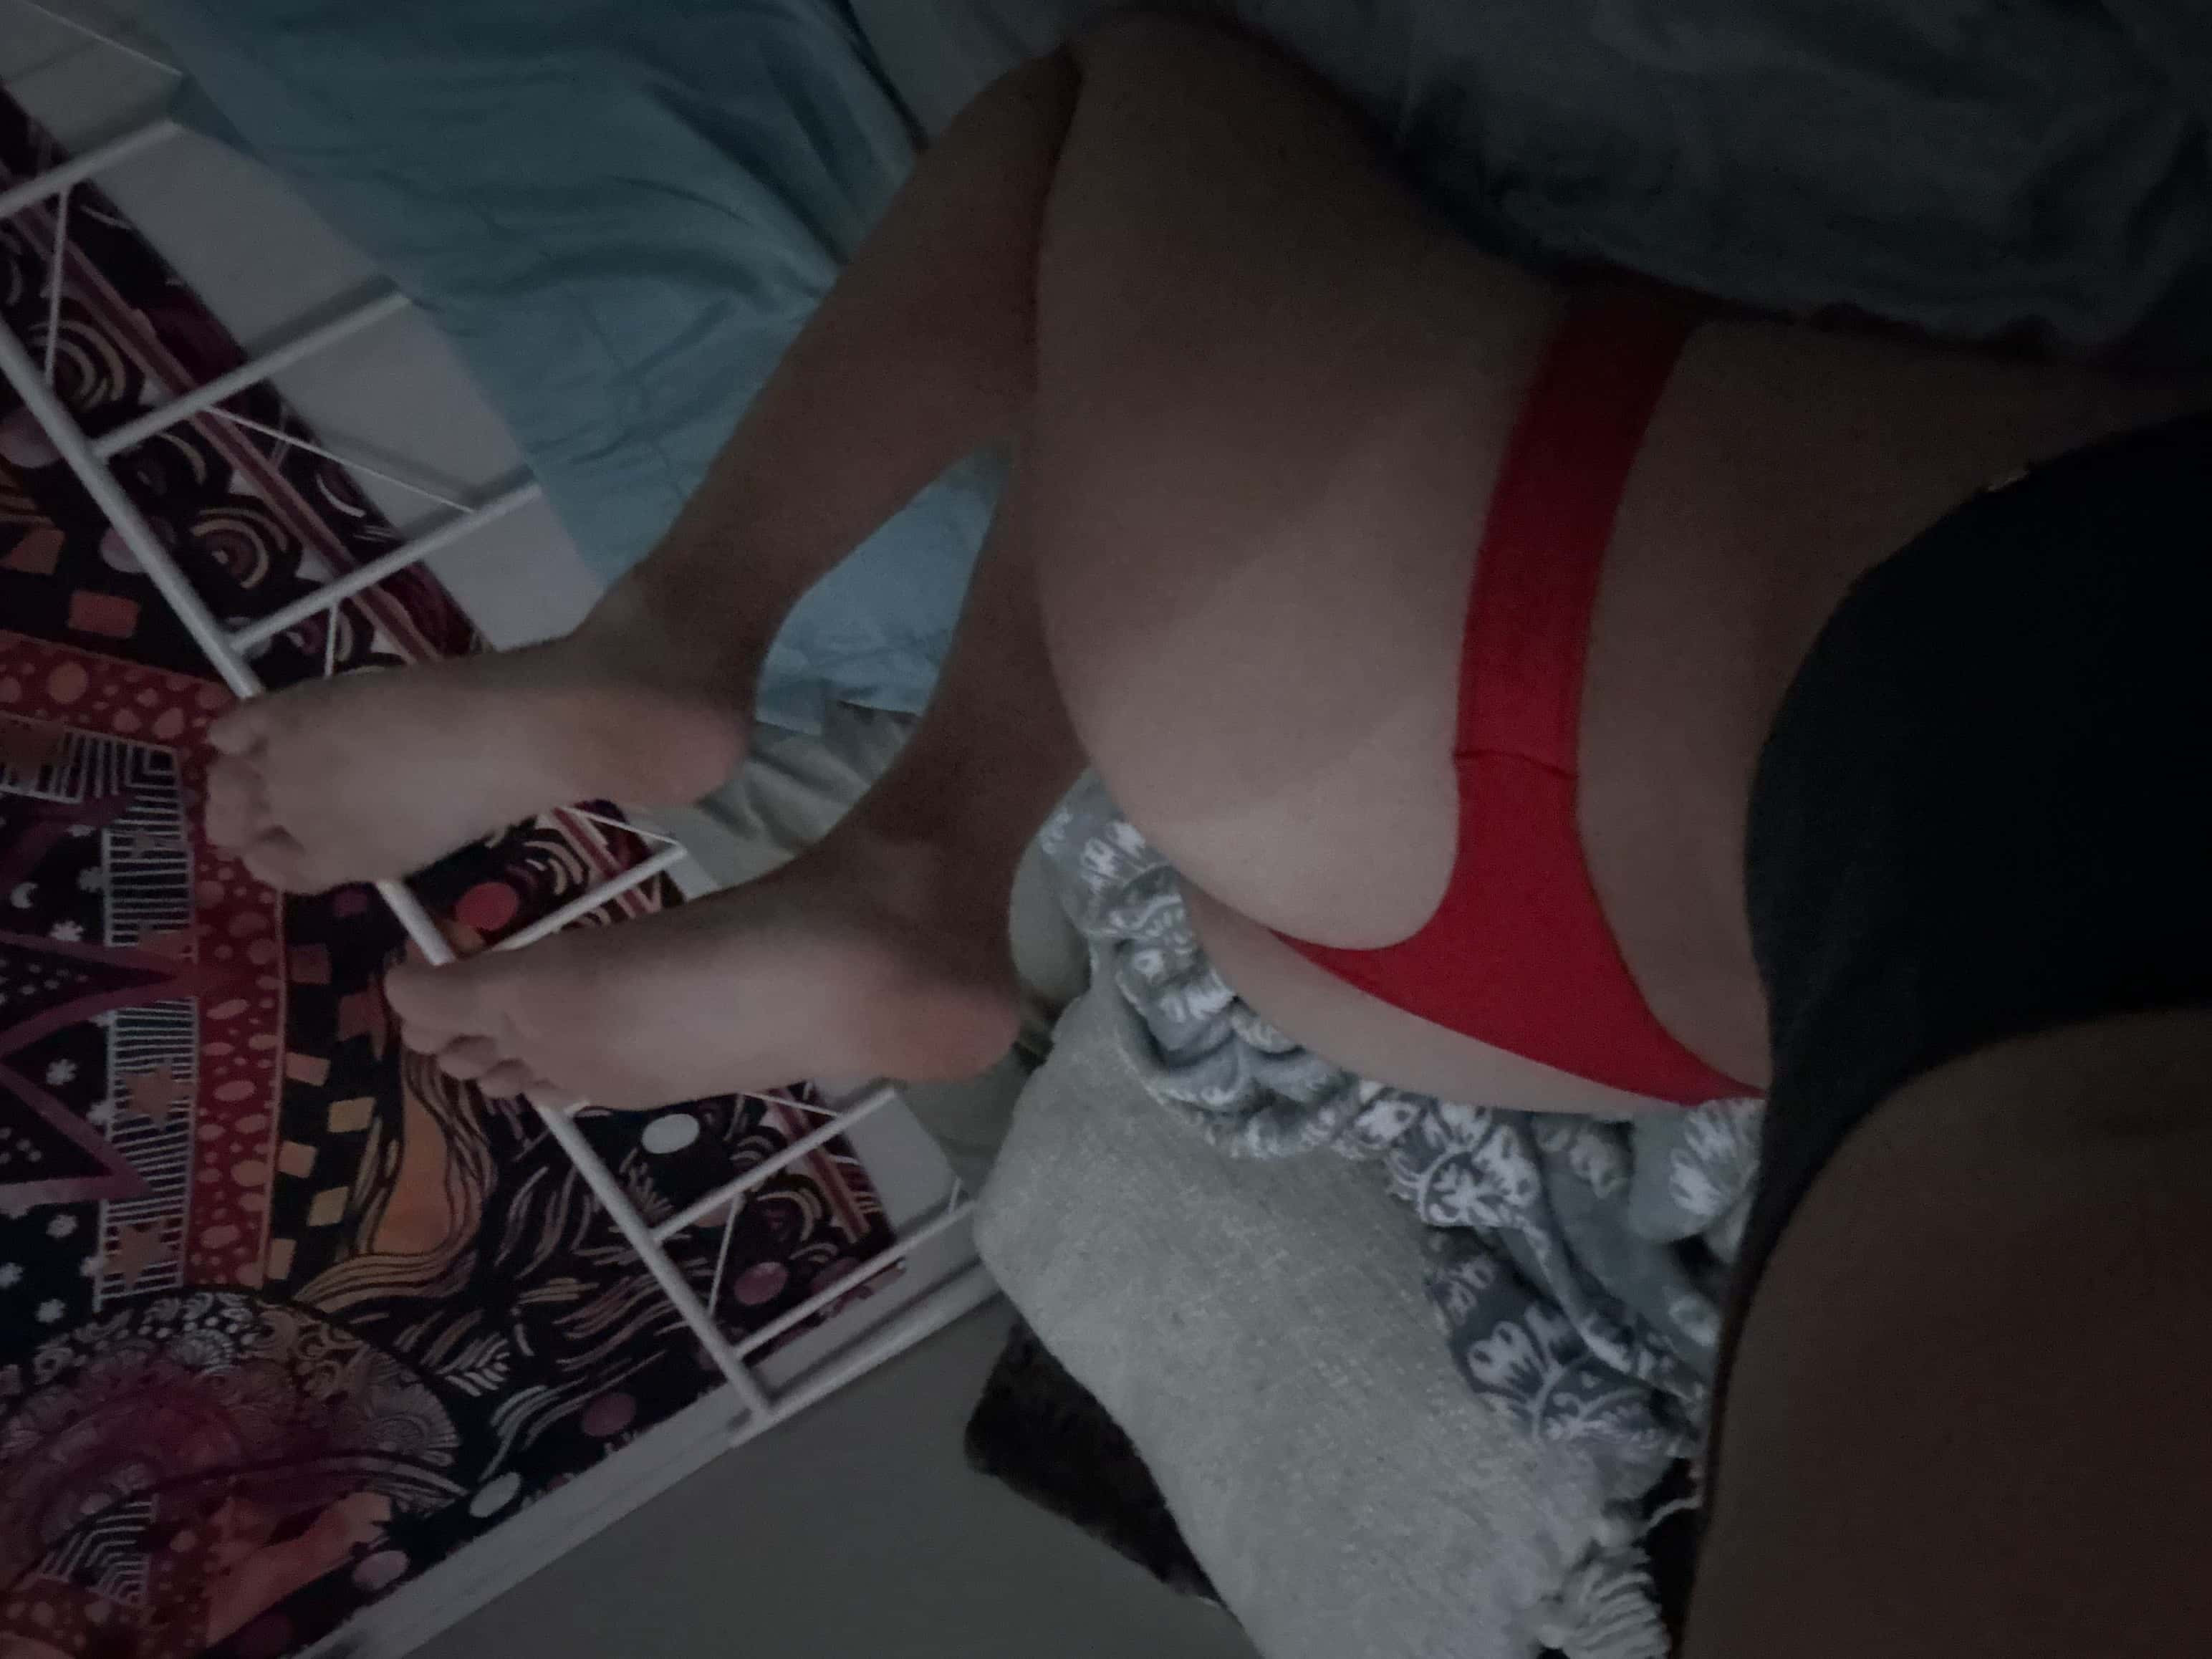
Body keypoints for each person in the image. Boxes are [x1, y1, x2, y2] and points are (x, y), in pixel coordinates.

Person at [209, 17, 2212, 1643]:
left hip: (1561, 821)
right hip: (1527, 982)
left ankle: (683, 638)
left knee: (1129, 101)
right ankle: (917, 864)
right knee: (1176, 421)